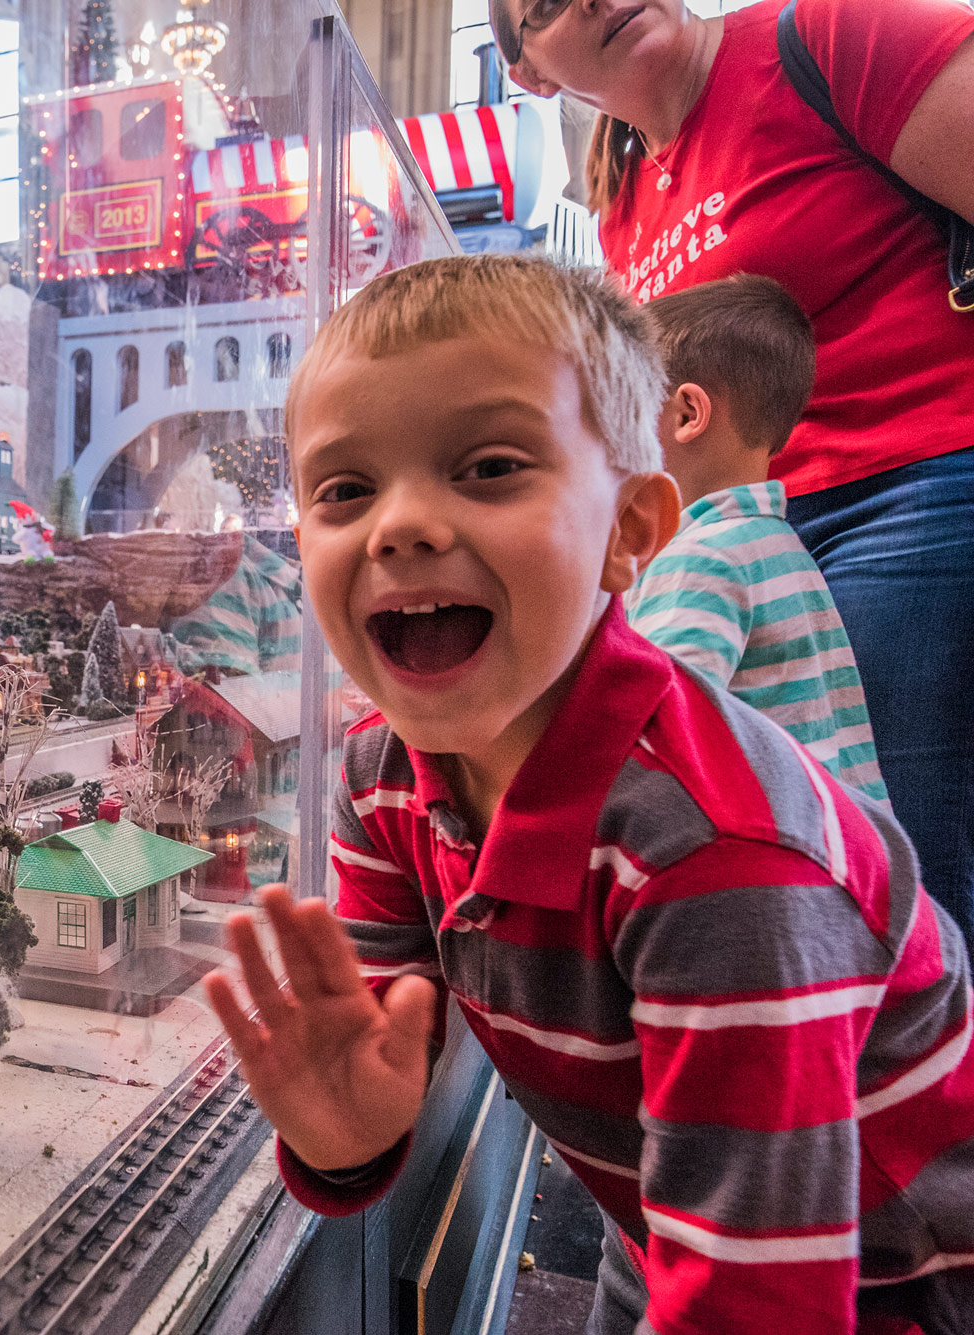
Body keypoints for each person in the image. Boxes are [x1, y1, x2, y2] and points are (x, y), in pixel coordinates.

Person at [206, 255, 974, 1333]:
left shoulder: (715, 858)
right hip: (669, 1210)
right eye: (344, 488)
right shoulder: (379, 780)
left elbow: (762, 1304)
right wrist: (343, 1137)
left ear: (629, 531)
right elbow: (377, 1063)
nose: (400, 526)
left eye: (487, 467)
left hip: (897, 1279)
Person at [487, 0, 974, 937]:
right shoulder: (624, 203)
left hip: (920, 486)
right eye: (545, 4)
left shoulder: (828, 40)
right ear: (533, 74)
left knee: (904, 866)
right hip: (755, 531)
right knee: (800, 855)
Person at [628, 275, 886, 801]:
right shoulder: (773, 545)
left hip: (767, 871)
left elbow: (645, 734)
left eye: (616, 410)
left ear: (687, 414)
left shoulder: (700, 559)